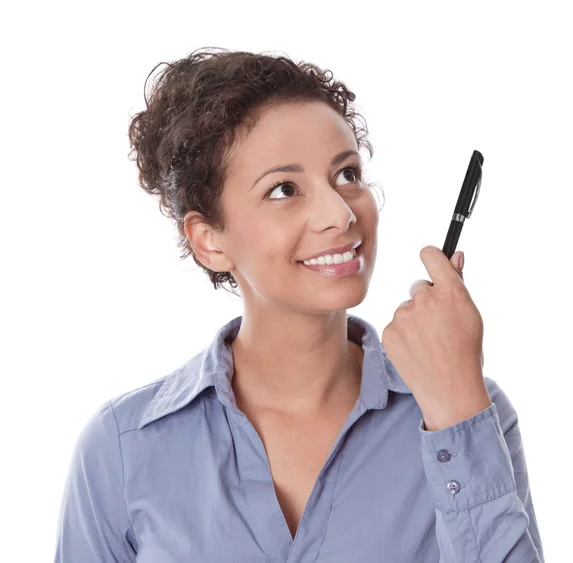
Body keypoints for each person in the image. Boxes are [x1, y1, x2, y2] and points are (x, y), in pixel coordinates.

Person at [54, 47, 545, 562]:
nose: (339, 213)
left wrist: (458, 414)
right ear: (209, 239)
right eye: (285, 188)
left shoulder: (469, 410)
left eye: (348, 175)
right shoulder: (122, 448)